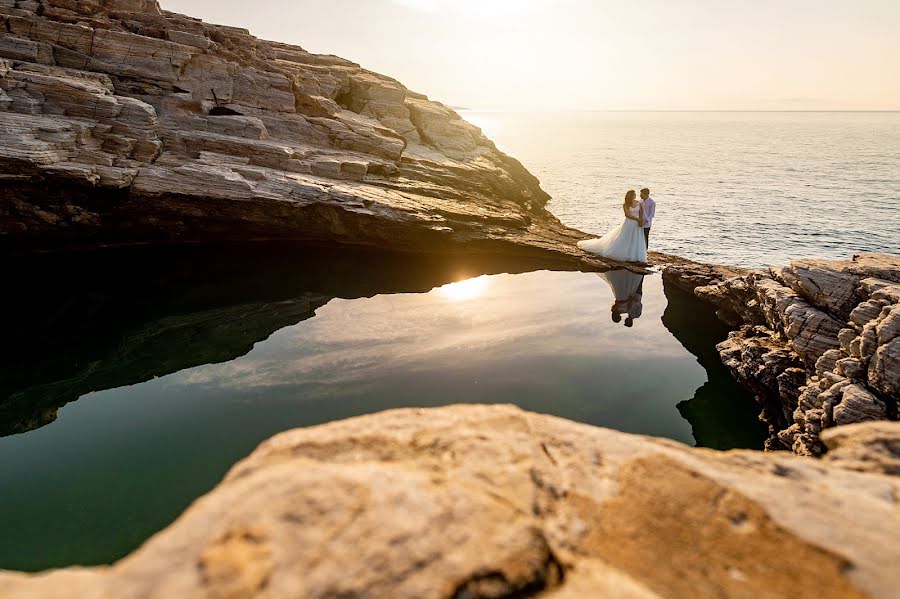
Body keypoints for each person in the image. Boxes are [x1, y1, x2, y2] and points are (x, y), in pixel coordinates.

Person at [577, 190, 648, 263]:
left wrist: (641, 220)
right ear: (630, 195)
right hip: (629, 223)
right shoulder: (625, 204)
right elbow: (627, 215)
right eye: (634, 194)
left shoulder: (638, 203)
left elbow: (641, 212)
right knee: (626, 237)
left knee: (636, 238)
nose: (635, 195)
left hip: (637, 223)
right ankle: (624, 253)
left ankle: (635, 255)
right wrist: (637, 219)